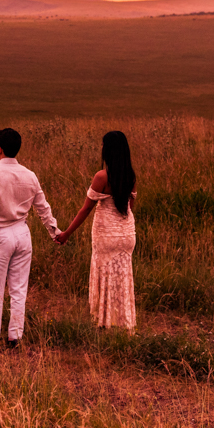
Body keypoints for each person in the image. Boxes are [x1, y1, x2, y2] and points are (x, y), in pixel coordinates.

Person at [0, 127, 61, 349]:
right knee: (19, 289)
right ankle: (15, 337)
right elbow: (43, 208)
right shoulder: (29, 175)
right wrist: (55, 232)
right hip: (22, 234)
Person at [54, 131, 137, 330]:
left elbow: (86, 209)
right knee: (122, 276)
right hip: (127, 233)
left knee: (105, 274)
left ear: (109, 150)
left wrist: (66, 233)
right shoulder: (130, 176)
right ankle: (123, 321)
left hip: (106, 234)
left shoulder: (102, 177)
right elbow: (130, 206)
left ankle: (104, 321)